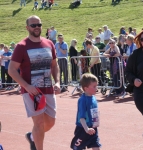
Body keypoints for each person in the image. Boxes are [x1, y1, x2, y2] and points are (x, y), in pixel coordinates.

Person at [8, 15, 60, 150]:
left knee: (50, 122)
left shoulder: (49, 44)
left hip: (48, 89)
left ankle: (32, 137)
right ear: (27, 28)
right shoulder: (21, 46)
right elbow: (12, 70)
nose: (37, 27)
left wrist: (58, 82)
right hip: (31, 91)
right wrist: (26, 86)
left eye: (39, 24)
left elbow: (54, 65)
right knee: (39, 122)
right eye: (33, 25)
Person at [125, 29, 143, 150]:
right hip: (141, 94)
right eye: (142, 39)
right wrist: (134, 80)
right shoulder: (136, 55)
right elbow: (128, 72)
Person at [71, 73, 101, 150]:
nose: (96, 88)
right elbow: (81, 117)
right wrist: (86, 129)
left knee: (96, 146)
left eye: (96, 86)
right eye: (94, 86)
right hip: (82, 129)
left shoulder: (94, 98)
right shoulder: (82, 100)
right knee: (78, 148)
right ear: (86, 88)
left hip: (93, 128)